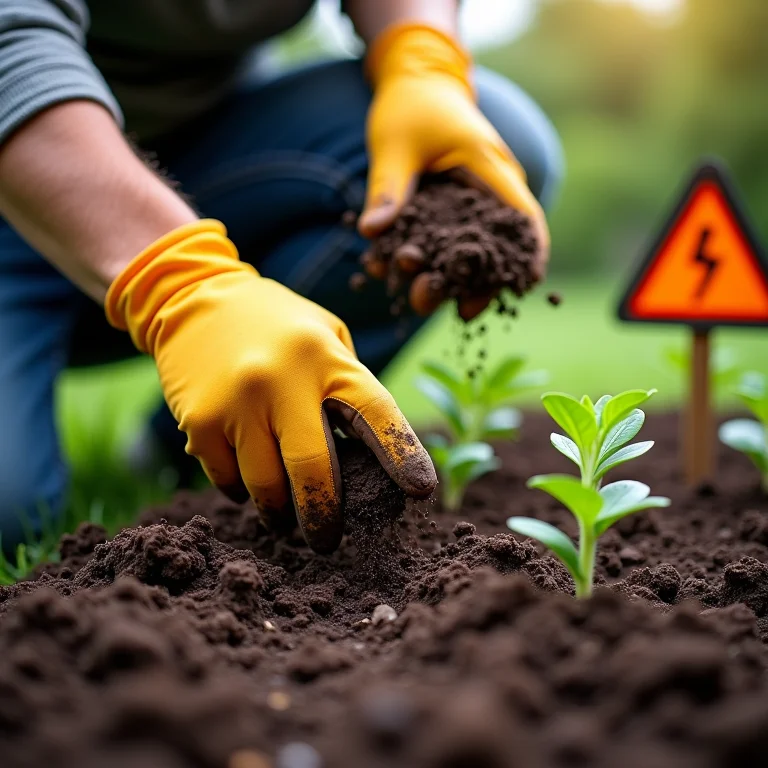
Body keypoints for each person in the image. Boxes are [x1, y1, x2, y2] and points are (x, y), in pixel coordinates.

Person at [0, 0, 562, 555]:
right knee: (9, 513)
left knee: (473, 167)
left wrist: (421, 57)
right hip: (23, 161)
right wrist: (183, 284)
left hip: (210, 159)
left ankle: (188, 449)